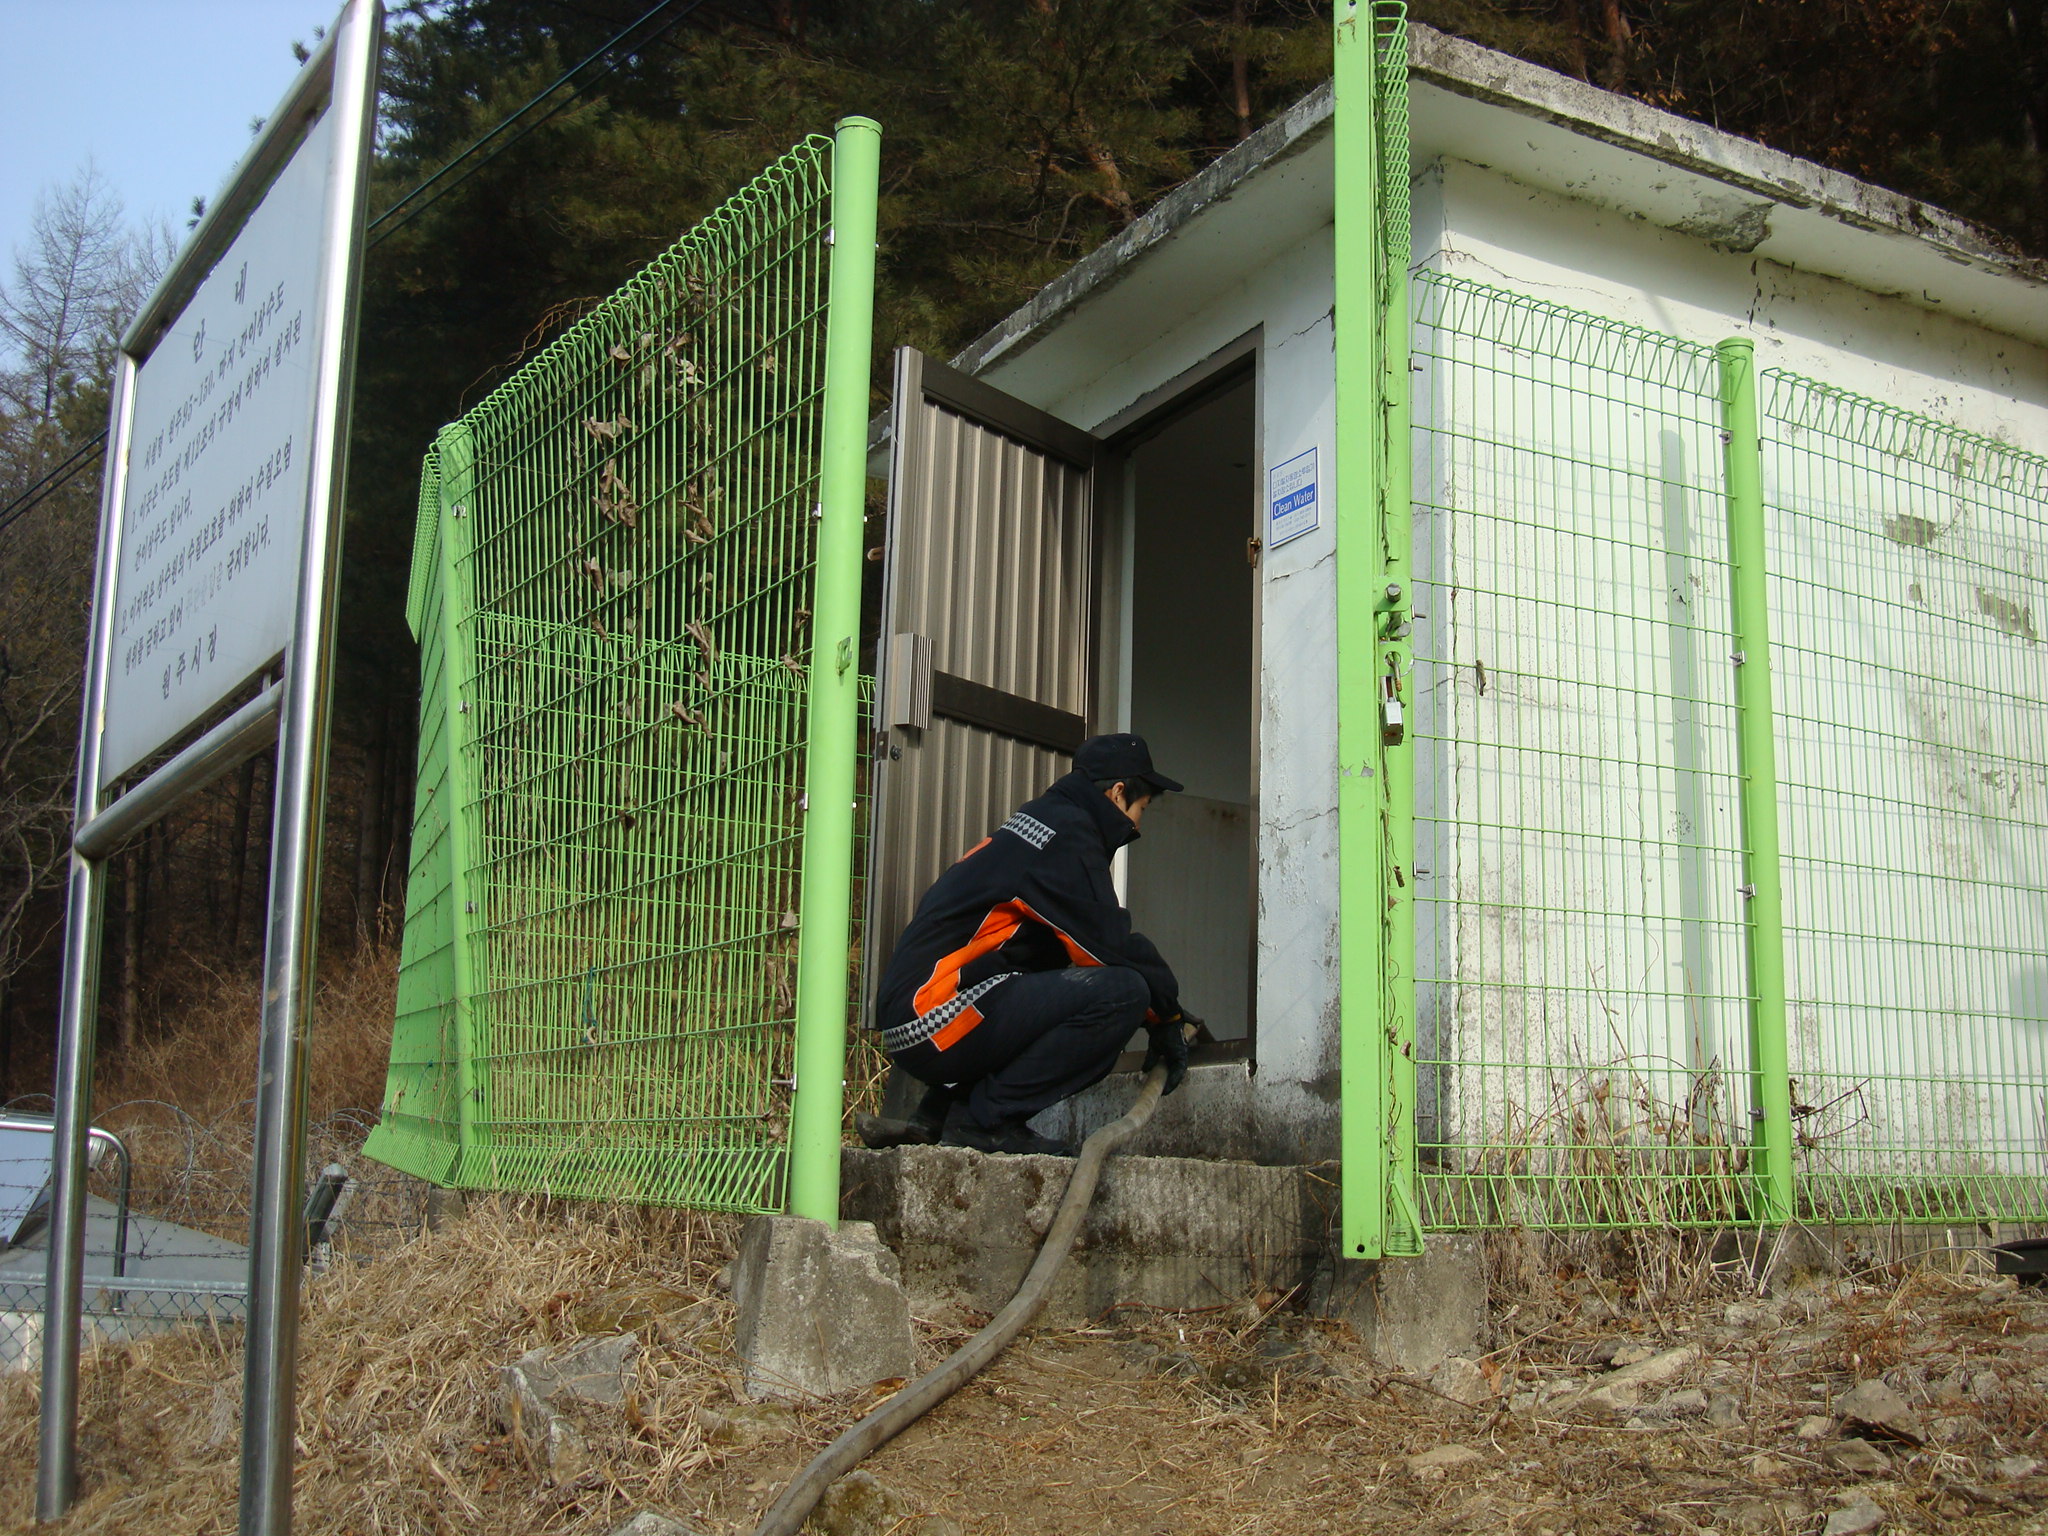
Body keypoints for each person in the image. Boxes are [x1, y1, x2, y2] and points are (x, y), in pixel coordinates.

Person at [866, 733, 1199, 1156]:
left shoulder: (1042, 823)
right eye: (1142, 809)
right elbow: (1111, 945)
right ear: (1118, 793)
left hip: (920, 1016)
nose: (1137, 825)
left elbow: (1071, 949)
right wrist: (1166, 1016)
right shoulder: (1067, 833)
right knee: (1123, 993)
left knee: (1052, 959)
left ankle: (940, 1112)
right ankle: (987, 1121)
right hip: (933, 1016)